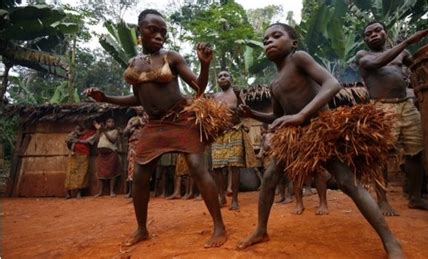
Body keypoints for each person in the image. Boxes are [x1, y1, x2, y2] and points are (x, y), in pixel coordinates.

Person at [236, 23, 403, 258]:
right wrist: (253, 115)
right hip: (296, 136)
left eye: (276, 36)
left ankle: (390, 241)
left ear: (293, 43)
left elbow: (332, 84)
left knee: (347, 181)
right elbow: (278, 115)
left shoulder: (299, 59)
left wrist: (302, 115)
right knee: (271, 177)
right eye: (265, 41)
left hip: (321, 131)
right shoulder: (274, 85)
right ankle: (261, 229)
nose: (269, 42)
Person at [84, 9, 226, 248]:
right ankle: (141, 229)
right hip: (154, 124)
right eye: (153, 29)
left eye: (163, 31)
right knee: (140, 174)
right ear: (139, 31)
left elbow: (198, 88)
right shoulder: (133, 64)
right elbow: (137, 99)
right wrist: (105, 97)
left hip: (181, 118)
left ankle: (219, 226)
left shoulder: (172, 57)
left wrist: (204, 66)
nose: (159, 35)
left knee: (196, 167)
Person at [356, 21, 428, 213]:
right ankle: (382, 201)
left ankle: (415, 197)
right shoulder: (363, 56)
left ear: (385, 33)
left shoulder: (402, 54)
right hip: (381, 107)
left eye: (377, 30)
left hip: (406, 105)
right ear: (365, 40)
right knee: (381, 155)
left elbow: (419, 67)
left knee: (416, 152)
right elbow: (376, 63)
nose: (373, 35)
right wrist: (407, 41)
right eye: (368, 34)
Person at [211, 70, 257, 211]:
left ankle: (235, 199)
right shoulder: (215, 97)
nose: (223, 77)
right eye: (220, 76)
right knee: (217, 167)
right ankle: (221, 196)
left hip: (235, 131)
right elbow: (211, 115)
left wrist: (239, 98)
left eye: (225, 75)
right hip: (219, 134)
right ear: (217, 81)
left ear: (231, 78)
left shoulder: (237, 93)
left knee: (234, 166)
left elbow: (244, 111)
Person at [64, 122, 95, 199]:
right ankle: (68, 192)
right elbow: (67, 140)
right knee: (71, 173)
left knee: (82, 174)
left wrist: (76, 140)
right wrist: (75, 133)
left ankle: (79, 192)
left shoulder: (91, 133)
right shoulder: (74, 133)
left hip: (84, 155)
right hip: (74, 155)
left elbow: (88, 141)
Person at [124, 107, 147, 198]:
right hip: (133, 145)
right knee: (131, 167)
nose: (140, 108)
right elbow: (125, 133)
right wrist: (130, 127)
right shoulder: (132, 120)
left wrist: (141, 124)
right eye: (138, 107)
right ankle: (131, 192)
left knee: (143, 167)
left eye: (141, 106)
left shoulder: (147, 119)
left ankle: (143, 191)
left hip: (144, 145)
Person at [94, 118, 120, 197]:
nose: (111, 123)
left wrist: (104, 131)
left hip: (111, 153)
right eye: (109, 121)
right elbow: (96, 140)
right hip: (101, 155)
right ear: (106, 123)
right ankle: (100, 191)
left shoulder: (115, 131)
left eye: (112, 121)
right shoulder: (101, 132)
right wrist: (98, 130)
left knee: (112, 172)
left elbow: (113, 140)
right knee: (100, 172)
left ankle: (112, 191)